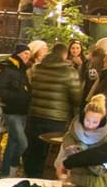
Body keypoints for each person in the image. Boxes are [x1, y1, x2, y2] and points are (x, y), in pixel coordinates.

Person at [26, 41, 83, 178]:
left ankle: (32, 176)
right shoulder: (70, 73)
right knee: (53, 149)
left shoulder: (37, 68)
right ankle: (49, 177)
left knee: (34, 148)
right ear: (64, 55)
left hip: (35, 115)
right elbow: (76, 98)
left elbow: (30, 87)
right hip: (57, 118)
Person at [53, 95, 107, 187]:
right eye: (87, 120)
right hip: (73, 181)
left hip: (96, 186)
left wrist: (82, 156)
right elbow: (62, 159)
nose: (90, 125)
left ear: (101, 122)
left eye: (95, 122)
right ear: (83, 118)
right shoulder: (71, 135)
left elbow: (104, 169)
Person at [0, 40, 42, 178]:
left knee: (13, 143)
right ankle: (13, 166)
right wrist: (18, 96)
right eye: (25, 53)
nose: (28, 56)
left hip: (22, 112)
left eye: (29, 54)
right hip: (12, 112)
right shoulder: (9, 69)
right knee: (22, 142)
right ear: (18, 54)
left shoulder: (22, 70)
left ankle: (7, 174)